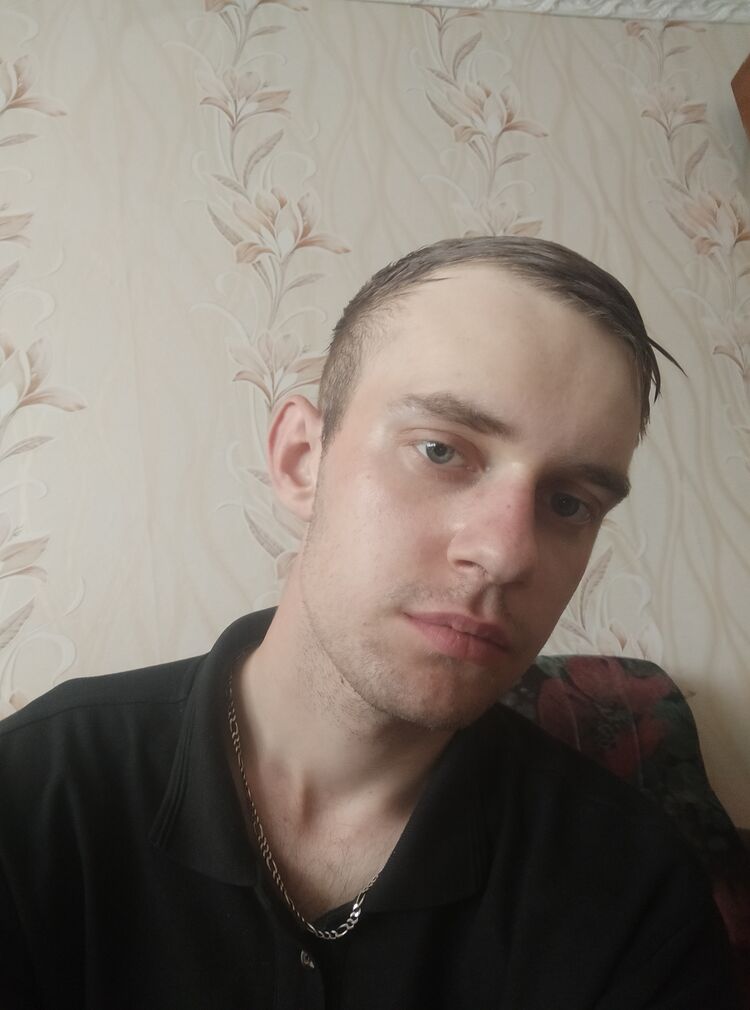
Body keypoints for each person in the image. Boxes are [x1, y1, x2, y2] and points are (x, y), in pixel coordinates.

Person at [0, 237, 739, 1009]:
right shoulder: (36, 798)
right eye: (440, 450)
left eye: (567, 503)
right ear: (301, 459)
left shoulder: (634, 892)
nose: (505, 554)